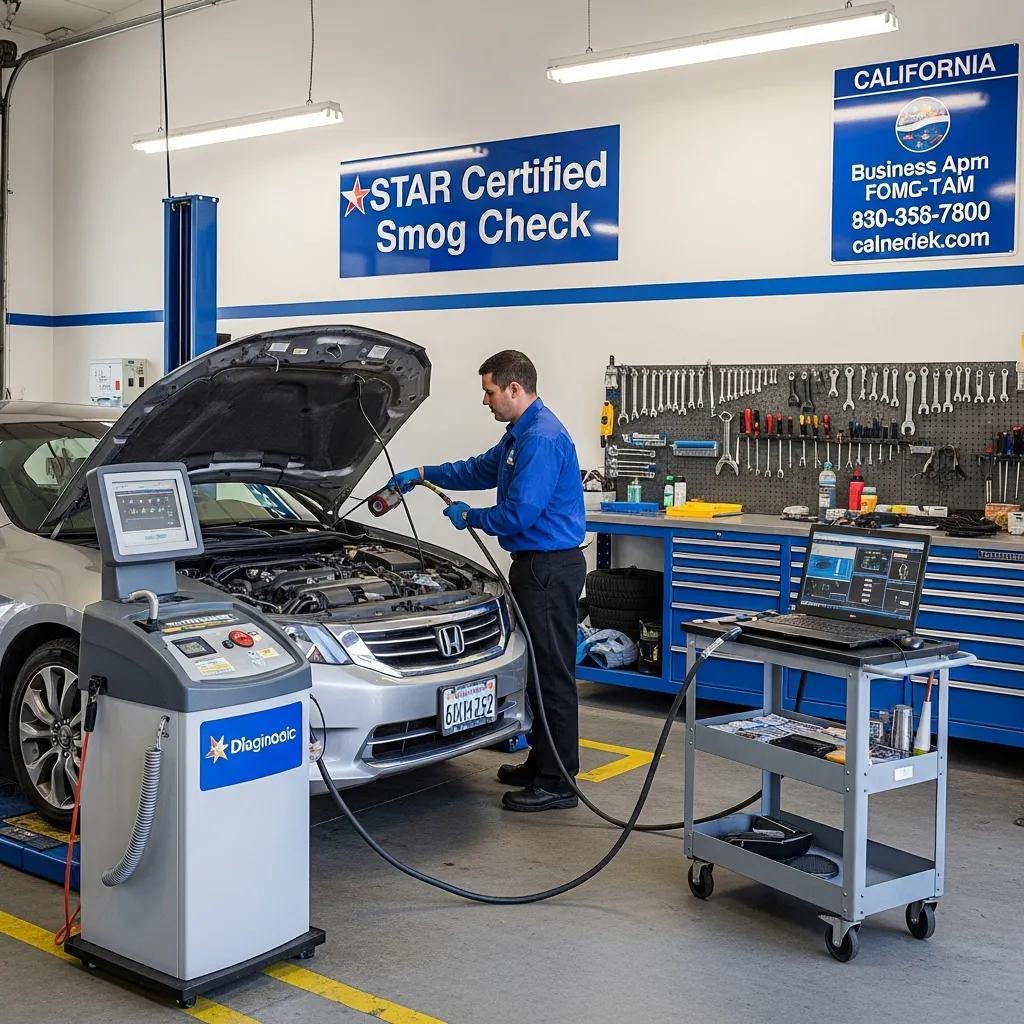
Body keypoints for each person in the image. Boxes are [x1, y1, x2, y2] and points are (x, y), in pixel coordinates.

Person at [388, 350, 586, 812]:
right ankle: (542, 762)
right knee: (537, 670)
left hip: (548, 569)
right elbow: (478, 469)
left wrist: (471, 516)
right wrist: (423, 474)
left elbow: (520, 513)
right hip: (537, 566)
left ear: (514, 389)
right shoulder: (520, 434)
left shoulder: (541, 437)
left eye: (490, 391)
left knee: (553, 674)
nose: (485, 400)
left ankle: (559, 782)